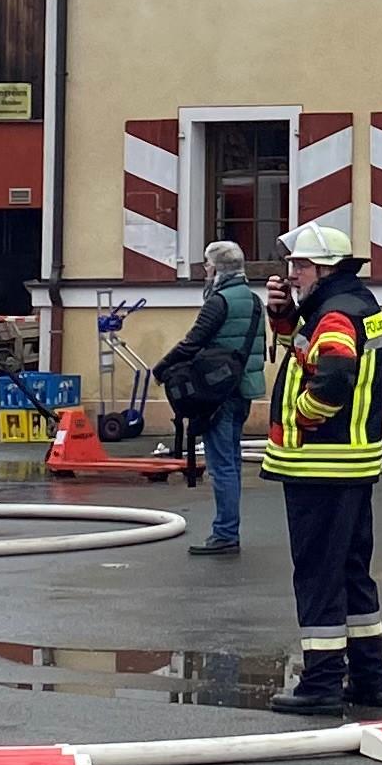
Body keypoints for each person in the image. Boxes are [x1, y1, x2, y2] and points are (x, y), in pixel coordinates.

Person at [259, 218, 382, 713]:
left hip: (321, 465)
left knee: (317, 576)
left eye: (300, 266)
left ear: (326, 268)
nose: (292, 274)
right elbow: (311, 353)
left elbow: (333, 376)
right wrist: (286, 318)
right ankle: (370, 677)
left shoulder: (334, 315)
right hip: (351, 464)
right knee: (353, 572)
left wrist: (302, 416)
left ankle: (320, 684)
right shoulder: (353, 305)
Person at [169, 239, 268, 557]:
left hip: (217, 394)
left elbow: (193, 342)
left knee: (221, 464)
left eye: (208, 265)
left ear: (219, 268)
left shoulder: (218, 301)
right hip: (244, 389)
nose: (205, 270)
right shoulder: (254, 300)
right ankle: (228, 528)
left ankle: (225, 532)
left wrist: (162, 369)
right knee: (233, 461)